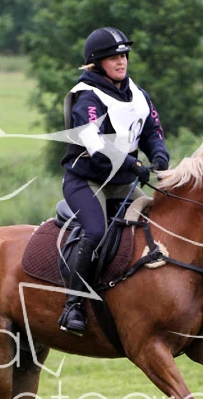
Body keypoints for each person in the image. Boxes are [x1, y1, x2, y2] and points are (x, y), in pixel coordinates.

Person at [58, 27, 170, 336]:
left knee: (160, 220)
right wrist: (135, 164)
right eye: (112, 58)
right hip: (87, 181)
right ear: (97, 63)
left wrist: (159, 156)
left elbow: (152, 132)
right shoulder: (87, 96)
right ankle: (73, 305)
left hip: (122, 182)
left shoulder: (137, 94)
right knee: (96, 230)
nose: (121, 62)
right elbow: (96, 147)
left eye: (123, 56)